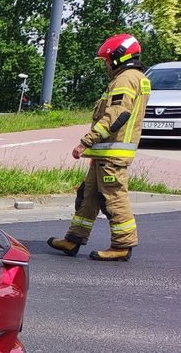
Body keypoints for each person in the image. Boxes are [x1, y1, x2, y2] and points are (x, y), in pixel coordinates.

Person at [48, 34, 151, 262]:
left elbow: (115, 115)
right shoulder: (132, 78)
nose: (105, 64)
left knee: (113, 198)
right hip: (106, 152)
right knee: (89, 197)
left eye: (107, 59)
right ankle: (73, 239)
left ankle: (122, 245)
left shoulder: (125, 80)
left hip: (112, 153)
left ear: (118, 57)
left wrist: (86, 141)